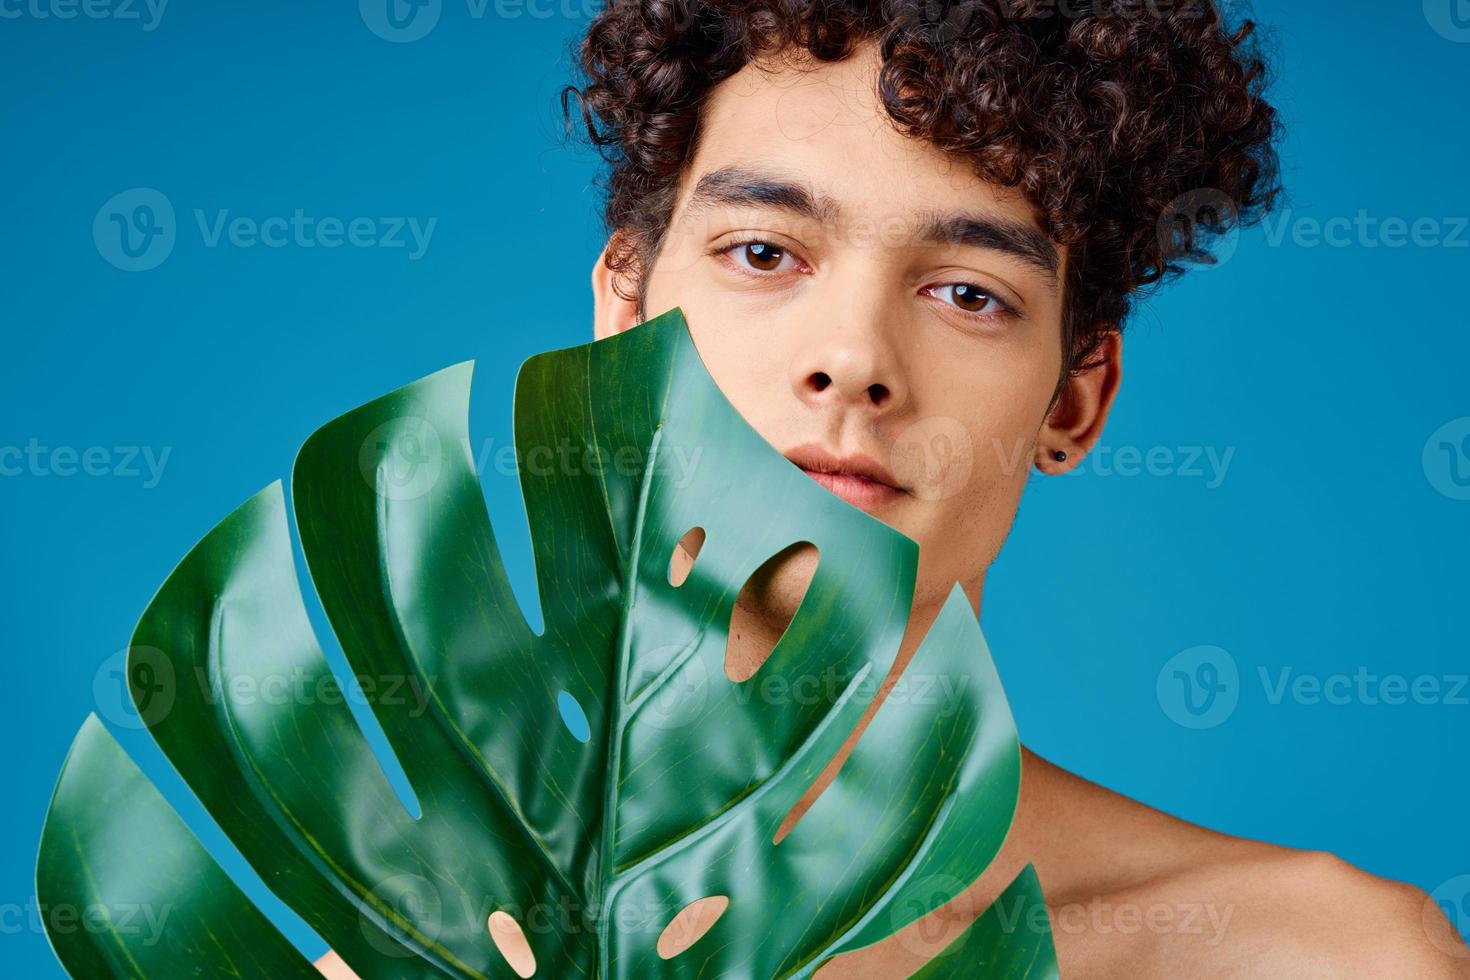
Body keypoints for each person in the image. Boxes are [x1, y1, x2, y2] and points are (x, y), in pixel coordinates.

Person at [320, 2, 1469, 975]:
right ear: (622, 310)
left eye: (969, 292)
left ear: (1074, 397)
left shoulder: (1315, 953)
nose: (856, 359)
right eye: (764, 252)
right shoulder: (410, 956)